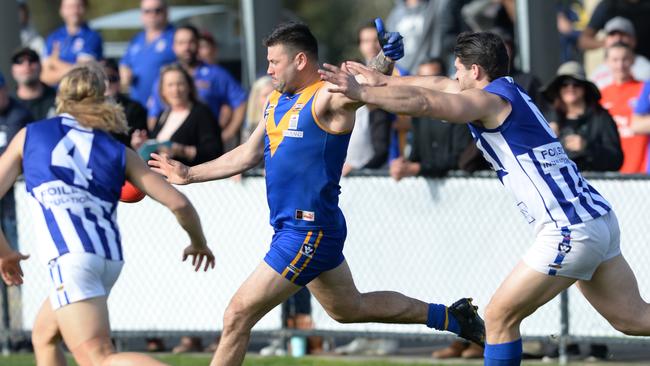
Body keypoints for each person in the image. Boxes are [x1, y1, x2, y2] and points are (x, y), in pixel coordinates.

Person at [149, 21, 484, 366]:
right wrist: (189, 173)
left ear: (300, 61)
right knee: (349, 309)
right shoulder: (275, 101)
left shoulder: (326, 96)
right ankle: (451, 317)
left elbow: (364, 82)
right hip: (297, 228)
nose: (268, 69)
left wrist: (384, 58)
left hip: (307, 230)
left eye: (274, 62)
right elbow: (247, 154)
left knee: (237, 314)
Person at [321, 30, 650, 366]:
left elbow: (426, 101)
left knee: (497, 318)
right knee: (631, 318)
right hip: (596, 218)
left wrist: (364, 93)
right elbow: (435, 84)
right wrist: (380, 80)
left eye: (459, 70)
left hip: (569, 228)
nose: (455, 76)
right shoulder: (508, 90)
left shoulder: (490, 102)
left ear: (475, 72)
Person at [0, 63, 215, 366]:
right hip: (107, 260)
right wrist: (198, 242)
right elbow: (179, 203)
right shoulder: (117, 149)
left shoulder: (31, 135)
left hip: (71, 258)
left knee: (98, 358)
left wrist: (5, 253)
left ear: (61, 96)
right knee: (44, 335)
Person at [147, 25, 247, 151]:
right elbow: (154, 114)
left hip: (205, 148)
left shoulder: (216, 74)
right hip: (170, 151)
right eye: (181, 43)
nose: (186, 47)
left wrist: (228, 133)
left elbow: (240, 101)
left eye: (191, 42)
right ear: (174, 47)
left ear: (197, 44)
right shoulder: (166, 76)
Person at [390, 58, 474, 181]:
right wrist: (403, 164)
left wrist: (418, 168)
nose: (427, 84)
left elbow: (460, 159)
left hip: (462, 189)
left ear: (445, 79)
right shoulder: (418, 116)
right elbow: (416, 156)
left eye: (433, 78)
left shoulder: (460, 111)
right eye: (422, 79)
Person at [542, 61, 623, 172]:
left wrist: (587, 147)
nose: (570, 88)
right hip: (559, 183)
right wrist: (546, 138)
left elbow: (616, 160)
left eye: (576, 84)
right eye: (564, 84)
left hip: (594, 184)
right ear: (558, 89)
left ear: (584, 88)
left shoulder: (601, 117)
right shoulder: (546, 119)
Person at [150, 63, 223, 166]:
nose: (175, 90)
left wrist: (184, 151)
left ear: (189, 87)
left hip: (192, 179)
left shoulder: (201, 112)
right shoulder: (163, 114)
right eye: (170, 85)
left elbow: (214, 150)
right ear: (162, 91)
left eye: (180, 84)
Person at [599, 42, 646, 174]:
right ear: (607, 62)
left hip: (642, 172)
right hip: (611, 174)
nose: (620, 65)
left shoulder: (645, 91)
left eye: (625, 59)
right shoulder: (601, 95)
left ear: (632, 60)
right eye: (615, 60)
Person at [120, 0, 176, 108]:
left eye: (157, 10)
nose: (152, 15)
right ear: (142, 14)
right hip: (137, 106)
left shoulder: (175, 37)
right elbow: (125, 63)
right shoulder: (137, 39)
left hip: (164, 105)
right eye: (147, 11)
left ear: (166, 12)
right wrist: (125, 74)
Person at [41, 0, 103, 86]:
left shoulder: (92, 37)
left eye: (78, 6)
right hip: (55, 95)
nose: (74, 11)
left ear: (85, 9)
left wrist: (54, 61)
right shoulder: (53, 37)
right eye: (69, 7)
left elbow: (83, 73)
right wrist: (73, 67)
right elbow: (44, 77)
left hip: (81, 95)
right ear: (61, 10)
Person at [588, 17, 650, 89]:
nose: (618, 39)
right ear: (605, 40)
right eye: (612, 34)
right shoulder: (597, 72)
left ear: (633, 40)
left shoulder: (646, 69)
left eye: (623, 34)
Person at [578, 0, 650, 60]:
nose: (620, 37)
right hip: (616, 68)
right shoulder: (608, 6)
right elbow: (584, 41)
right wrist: (608, 42)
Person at [103, 59, 148, 149]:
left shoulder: (135, 108)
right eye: (101, 79)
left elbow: (138, 144)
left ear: (119, 80)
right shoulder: (87, 108)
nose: (107, 84)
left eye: (112, 79)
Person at [11, 47, 57, 121]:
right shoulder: (7, 105)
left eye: (32, 59)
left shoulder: (58, 98)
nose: (26, 65)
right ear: (13, 70)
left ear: (41, 66)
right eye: (19, 61)